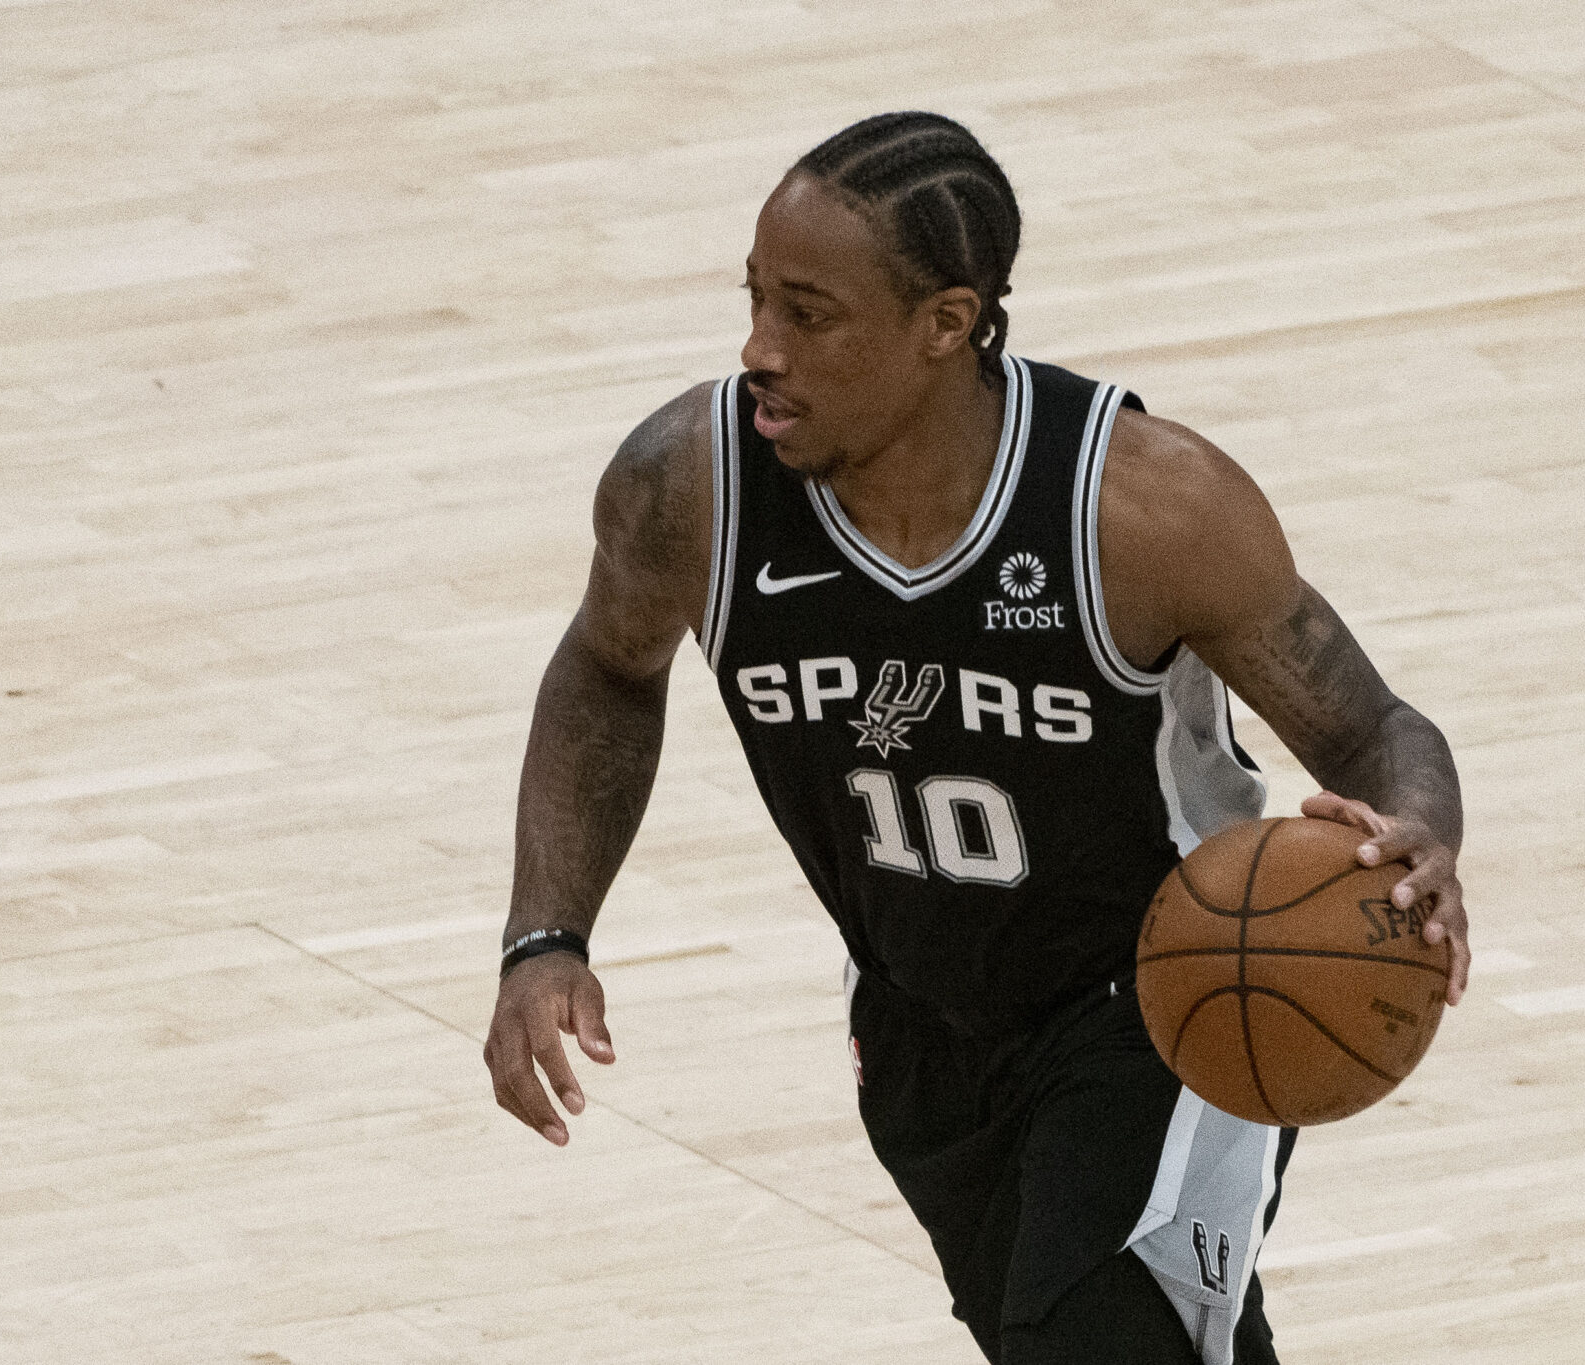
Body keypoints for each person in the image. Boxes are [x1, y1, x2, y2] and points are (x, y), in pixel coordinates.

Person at [483, 111, 1468, 1365]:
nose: (758, 350)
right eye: (754, 301)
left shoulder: (1139, 508)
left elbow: (1372, 728)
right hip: (916, 1020)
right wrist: (546, 934)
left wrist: (1418, 834)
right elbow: (606, 671)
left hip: (1167, 999)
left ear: (945, 322)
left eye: (808, 314)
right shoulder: (693, 486)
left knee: (1081, 1336)